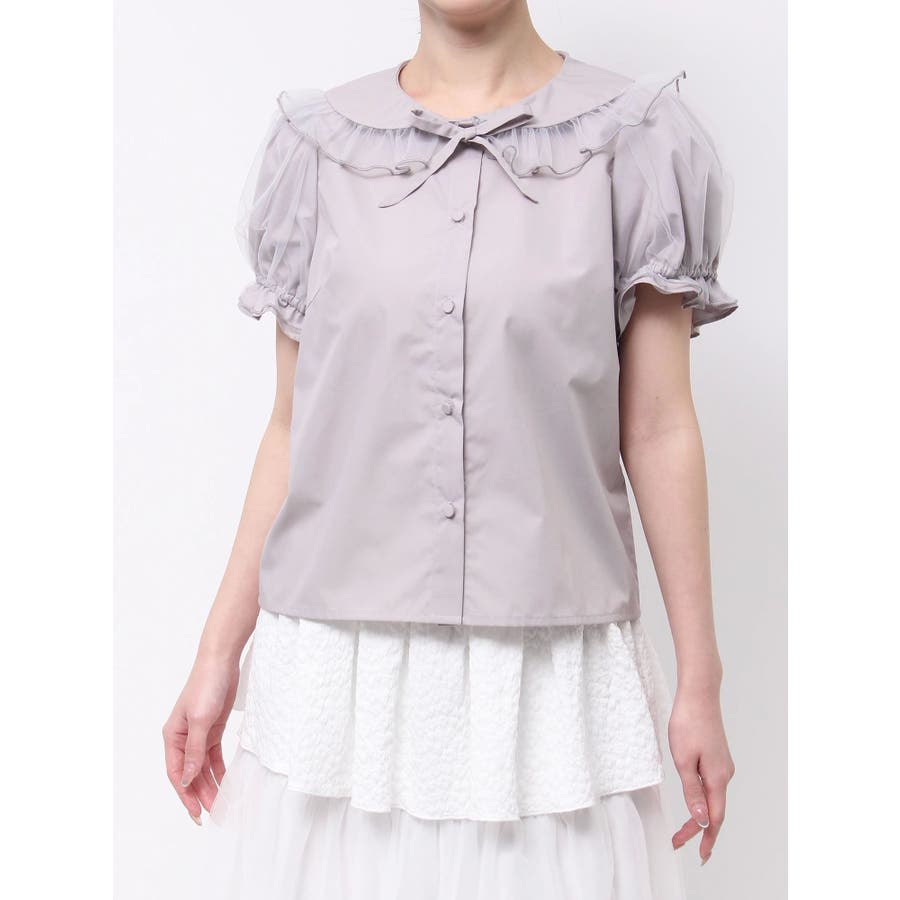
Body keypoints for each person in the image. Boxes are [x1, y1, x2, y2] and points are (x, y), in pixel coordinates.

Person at [162, 3, 737, 897]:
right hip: (341, 688)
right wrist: (214, 658)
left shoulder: (637, 142)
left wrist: (699, 679)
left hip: (545, 693)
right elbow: (291, 427)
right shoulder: (318, 150)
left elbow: (659, 426)